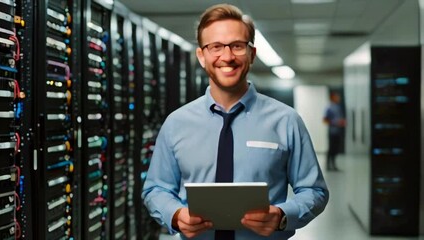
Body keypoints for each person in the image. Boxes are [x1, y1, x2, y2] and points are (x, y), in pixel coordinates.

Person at [142, 4, 329, 240]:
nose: (227, 57)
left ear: (251, 54)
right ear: (202, 56)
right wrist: (176, 215)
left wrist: (282, 215)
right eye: (216, 47)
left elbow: (314, 190)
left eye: (237, 46)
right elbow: (156, 188)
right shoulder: (176, 123)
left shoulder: (286, 120)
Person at [323, 91, 346, 171]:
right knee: (331, 148)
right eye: (336, 97)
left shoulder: (338, 107)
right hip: (332, 132)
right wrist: (336, 122)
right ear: (332, 97)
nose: (338, 98)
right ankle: (328, 165)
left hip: (338, 132)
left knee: (336, 149)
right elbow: (325, 120)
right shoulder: (329, 108)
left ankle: (334, 165)